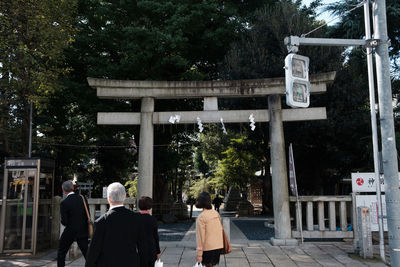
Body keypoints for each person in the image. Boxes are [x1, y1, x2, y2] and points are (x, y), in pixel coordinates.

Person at [85, 182, 144, 267]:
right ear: (124, 197)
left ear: (108, 198)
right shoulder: (137, 218)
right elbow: (143, 246)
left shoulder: (101, 221)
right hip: (131, 262)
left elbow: (93, 251)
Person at [57, 180, 90, 267]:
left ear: (63, 190)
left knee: (61, 252)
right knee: (87, 254)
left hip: (70, 231)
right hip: (82, 230)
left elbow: (64, 222)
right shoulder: (83, 199)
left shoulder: (64, 203)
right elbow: (88, 215)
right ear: (73, 188)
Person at [195, 192, 223, 267]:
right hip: (218, 246)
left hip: (208, 248)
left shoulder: (201, 217)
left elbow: (200, 238)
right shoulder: (216, 213)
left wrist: (199, 254)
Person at [138, 196, 161, 267]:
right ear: (150, 207)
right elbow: (156, 237)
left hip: (138, 250)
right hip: (151, 249)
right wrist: (158, 251)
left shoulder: (135, 218)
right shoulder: (153, 219)